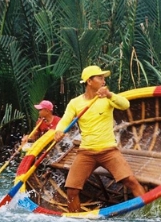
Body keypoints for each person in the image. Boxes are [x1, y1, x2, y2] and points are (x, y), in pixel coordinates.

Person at [54, 65, 146, 212]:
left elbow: (125, 104)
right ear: (89, 81)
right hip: (86, 152)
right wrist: (59, 131)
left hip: (108, 150)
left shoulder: (108, 98)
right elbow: (65, 120)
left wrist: (109, 95)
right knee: (72, 190)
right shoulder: (75, 103)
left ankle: (146, 210)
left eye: (104, 78)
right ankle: (76, 220)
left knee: (131, 181)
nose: (104, 81)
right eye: (100, 78)